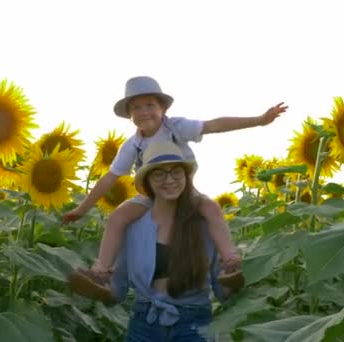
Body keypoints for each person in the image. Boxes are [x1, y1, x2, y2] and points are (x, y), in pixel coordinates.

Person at [64, 76, 287, 293]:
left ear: (163, 108)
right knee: (118, 216)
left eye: (150, 105)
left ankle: (229, 262)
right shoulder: (133, 145)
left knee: (210, 208)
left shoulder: (176, 128)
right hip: (152, 195)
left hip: (185, 190)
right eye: (136, 108)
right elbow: (110, 178)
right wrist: (82, 209)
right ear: (130, 115)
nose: (144, 112)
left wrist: (258, 120)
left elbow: (214, 125)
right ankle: (101, 272)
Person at [70, 141, 231, 341]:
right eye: (159, 174)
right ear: (148, 181)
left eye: (176, 172)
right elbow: (118, 288)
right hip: (145, 321)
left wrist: (233, 279)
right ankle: (98, 273)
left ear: (186, 177)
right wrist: (101, 291)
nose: (169, 180)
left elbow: (222, 289)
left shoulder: (206, 222)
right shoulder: (134, 225)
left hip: (194, 322)